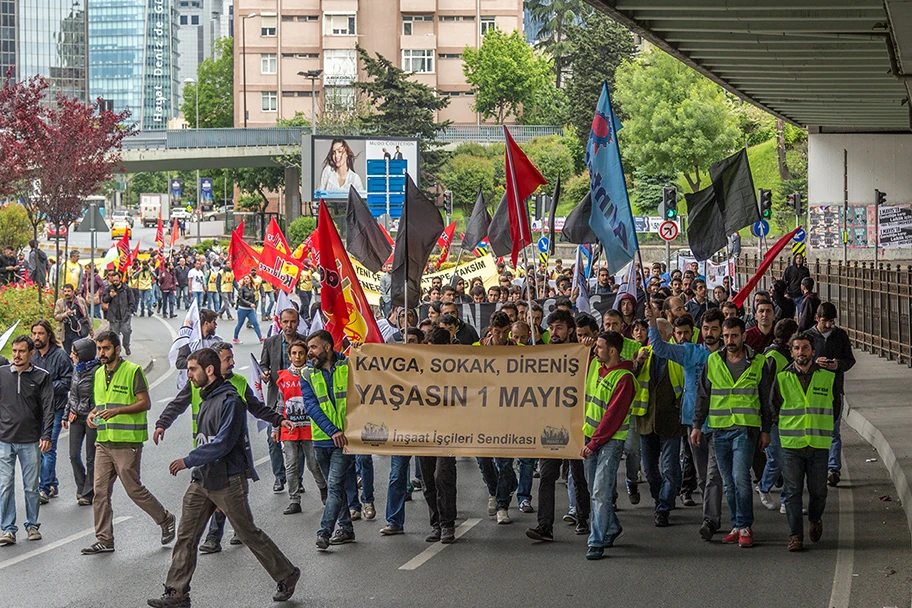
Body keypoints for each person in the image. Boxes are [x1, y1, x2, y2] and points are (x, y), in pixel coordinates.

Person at [148, 349, 300, 608]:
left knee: (247, 532)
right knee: (186, 536)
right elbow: (179, 404)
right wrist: (163, 422)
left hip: (228, 479)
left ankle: (287, 574)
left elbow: (224, 443)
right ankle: (177, 593)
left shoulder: (231, 399)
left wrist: (188, 460)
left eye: (193, 369)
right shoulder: (203, 394)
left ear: (209, 370)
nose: (189, 375)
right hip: (202, 479)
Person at [154, 341, 291, 553]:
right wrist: (162, 423)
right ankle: (217, 537)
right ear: (213, 364)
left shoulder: (238, 385)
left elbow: (257, 408)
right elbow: (177, 404)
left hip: (230, 457)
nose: (232, 362)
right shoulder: (195, 384)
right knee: (205, 509)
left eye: (231, 358)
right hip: (204, 454)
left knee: (229, 501)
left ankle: (228, 533)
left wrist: (278, 420)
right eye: (228, 359)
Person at [81, 331, 175, 555]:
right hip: (104, 441)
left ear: (116, 349)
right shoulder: (98, 374)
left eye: (105, 348)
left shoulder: (133, 371)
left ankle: (164, 518)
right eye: (99, 349)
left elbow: (145, 403)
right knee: (100, 492)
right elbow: (102, 404)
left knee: (133, 489)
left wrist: (117, 411)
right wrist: (92, 415)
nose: (101, 353)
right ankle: (104, 539)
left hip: (127, 443)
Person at [692, 317, 773, 549]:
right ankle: (737, 525)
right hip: (719, 430)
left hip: (745, 431)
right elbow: (703, 395)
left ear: (744, 336)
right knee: (727, 483)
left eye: (734, 336)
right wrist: (697, 425)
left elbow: (766, 400)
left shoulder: (758, 362)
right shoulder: (713, 361)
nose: (729, 340)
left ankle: (746, 525)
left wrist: (766, 430)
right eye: (726, 336)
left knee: (740, 478)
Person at [648, 306, 725, 532]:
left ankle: (711, 521)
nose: (710, 332)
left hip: (721, 423)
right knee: (703, 476)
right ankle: (709, 514)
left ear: (722, 331)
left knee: (713, 475)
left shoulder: (728, 354)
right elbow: (660, 348)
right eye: (706, 328)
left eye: (714, 328)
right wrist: (652, 324)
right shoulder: (690, 352)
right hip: (695, 424)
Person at [525, 310, 591, 543]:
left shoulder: (582, 352)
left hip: (574, 423)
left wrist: (589, 349)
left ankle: (583, 517)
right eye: (551, 328)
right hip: (550, 424)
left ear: (570, 329)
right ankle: (545, 526)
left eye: (559, 328)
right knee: (547, 475)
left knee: (578, 474)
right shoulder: (543, 352)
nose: (554, 332)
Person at [771, 332, 836, 552]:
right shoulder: (782, 377)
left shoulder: (827, 377)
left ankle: (815, 518)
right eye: (797, 348)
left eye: (805, 348)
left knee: (819, 491)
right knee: (792, 492)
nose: (801, 352)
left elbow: (835, 407)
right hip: (792, 445)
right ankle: (795, 536)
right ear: (791, 352)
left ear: (813, 351)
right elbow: (774, 407)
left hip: (818, 444)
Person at [580, 331, 636, 560]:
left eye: (600, 347)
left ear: (613, 351)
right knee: (595, 490)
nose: (596, 350)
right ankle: (611, 527)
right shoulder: (596, 365)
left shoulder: (625, 378)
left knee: (600, 492)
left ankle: (596, 541)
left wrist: (594, 443)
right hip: (591, 438)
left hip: (609, 442)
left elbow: (613, 416)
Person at [300, 330, 356, 550]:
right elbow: (312, 406)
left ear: (327, 347)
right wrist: (332, 430)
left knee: (333, 486)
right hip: (322, 439)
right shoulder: (307, 374)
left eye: (313, 347)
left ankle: (325, 531)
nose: (309, 353)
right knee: (336, 486)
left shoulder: (349, 365)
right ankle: (347, 528)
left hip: (344, 440)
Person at [0, 335, 54, 546]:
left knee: (31, 487)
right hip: (4, 439)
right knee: (5, 486)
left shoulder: (42, 377)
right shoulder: (2, 375)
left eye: (22, 351)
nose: (17, 355)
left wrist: (46, 434)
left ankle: (32, 525)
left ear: (31, 353)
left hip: (31, 440)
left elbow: (49, 407)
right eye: (14, 351)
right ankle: (7, 529)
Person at [273, 340, 327, 515]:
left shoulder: (312, 374)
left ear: (306, 355)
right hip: (289, 429)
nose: (297, 357)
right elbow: (280, 405)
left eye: (301, 353)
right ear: (289, 356)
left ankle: (324, 490)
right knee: (291, 466)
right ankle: (294, 500)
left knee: (313, 463)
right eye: (294, 353)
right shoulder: (283, 377)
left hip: (310, 428)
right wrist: (276, 427)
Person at [805, 302, 855, 487]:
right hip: (812, 391)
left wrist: (838, 365)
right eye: (825, 321)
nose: (828, 325)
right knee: (814, 429)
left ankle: (833, 468)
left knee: (834, 430)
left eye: (831, 321)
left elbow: (850, 360)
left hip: (834, 389)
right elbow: (797, 360)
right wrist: (814, 362)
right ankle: (815, 466)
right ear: (817, 318)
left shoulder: (840, 336)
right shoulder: (808, 336)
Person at [261, 308, 309, 495]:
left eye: (293, 322)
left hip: (299, 399)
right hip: (277, 398)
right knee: (273, 439)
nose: (289, 326)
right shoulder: (271, 342)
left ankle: (297, 480)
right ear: (279, 323)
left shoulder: (305, 341)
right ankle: (279, 477)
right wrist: (265, 373)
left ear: (298, 322)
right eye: (285, 322)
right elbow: (264, 363)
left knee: (300, 441)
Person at [30, 320, 74, 504]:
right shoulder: (32, 356)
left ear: (48, 335)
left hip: (55, 409)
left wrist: (46, 386)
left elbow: (68, 381)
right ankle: (52, 482)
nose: (36, 337)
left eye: (40, 333)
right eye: (34, 333)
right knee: (37, 449)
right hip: (35, 410)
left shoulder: (61, 356)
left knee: (47, 448)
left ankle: (44, 488)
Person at [758, 318, 798, 513]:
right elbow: (768, 390)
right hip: (775, 417)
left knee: (788, 459)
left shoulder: (783, 354)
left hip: (787, 415)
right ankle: (764, 487)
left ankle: (786, 501)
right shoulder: (774, 356)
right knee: (779, 458)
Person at [63, 338, 101, 507]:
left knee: (91, 457)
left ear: (83, 354)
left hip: (92, 418)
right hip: (76, 417)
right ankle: (82, 485)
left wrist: (94, 415)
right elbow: (72, 394)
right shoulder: (77, 369)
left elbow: (100, 397)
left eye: (74, 353)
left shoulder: (97, 372)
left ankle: (88, 492)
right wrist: (66, 415)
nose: (71, 356)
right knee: (73, 454)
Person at [102, 270, 136, 356]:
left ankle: (126, 345)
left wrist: (130, 311)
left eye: (117, 280)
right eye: (114, 281)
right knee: (115, 335)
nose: (115, 282)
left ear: (120, 279)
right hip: (113, 316)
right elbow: (104, 299)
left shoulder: (126, 289)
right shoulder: (110, 289)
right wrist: (110, 296)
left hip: (125, 315)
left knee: (126, 331)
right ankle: (118, 350)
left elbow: (131, 300)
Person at [54, 283, 90, 355]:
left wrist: (91, 331)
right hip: (65, 332)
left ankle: (76, 365)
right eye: (65, 291)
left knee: (77, 351)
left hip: (77, 332)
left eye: (68, 291)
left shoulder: (80, 301)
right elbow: (56, 316)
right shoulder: (60, 303)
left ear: (73, 292)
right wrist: (66, 314)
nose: (67, 293)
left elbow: (86, 317)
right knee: (68, 353)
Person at [233, 275, 262, 343]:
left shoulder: (252, 288)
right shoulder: (242, 288)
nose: (246, 280)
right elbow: (241, 298)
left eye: (247, 278)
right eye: (244, 279)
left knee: (255, 323)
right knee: (240, 323)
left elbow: (253, 297)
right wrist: (250, 304)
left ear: (250, 280)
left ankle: (260, 338)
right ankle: (235, 337)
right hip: (242, 309)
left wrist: (254, 302)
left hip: (250, 310)